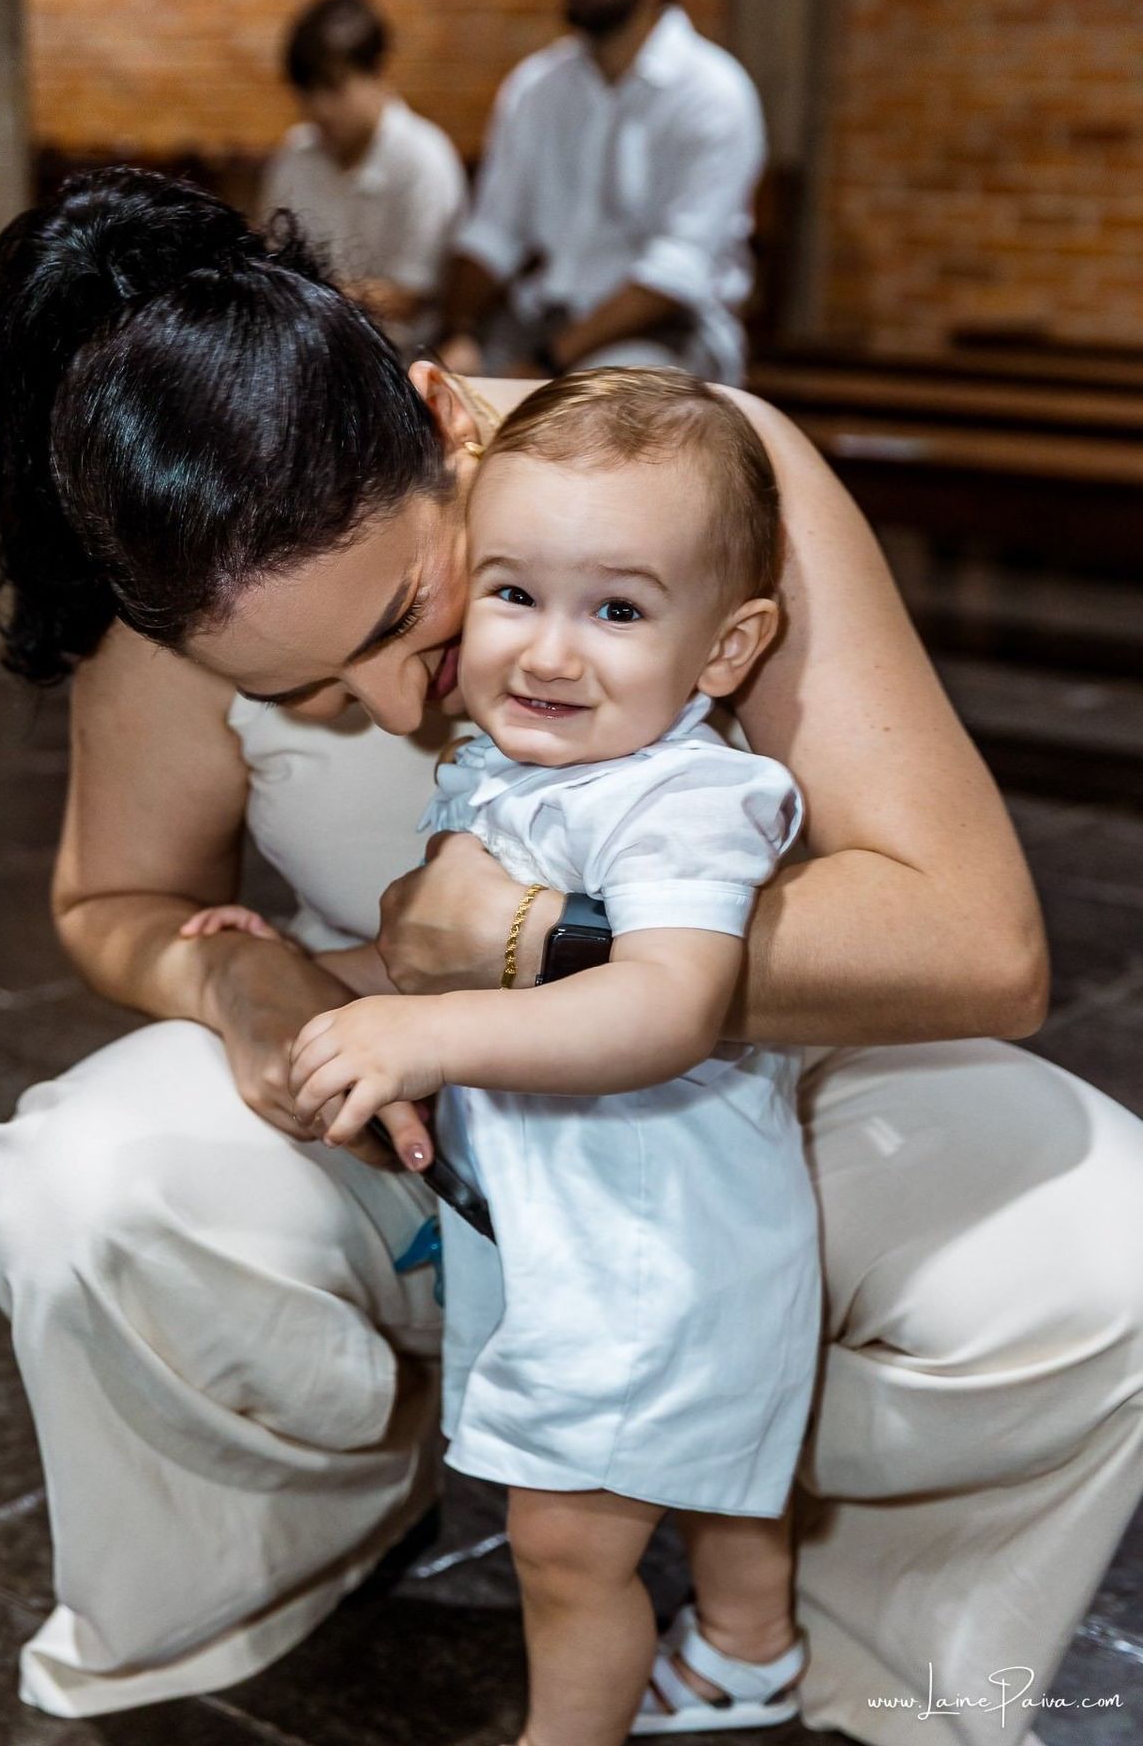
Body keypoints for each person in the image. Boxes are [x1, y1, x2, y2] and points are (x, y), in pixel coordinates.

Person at [0, 168, 1143, 1746]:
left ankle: (862, 1655)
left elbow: (981, 940)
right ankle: (276, 1560)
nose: (399, 710)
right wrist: (235, 980)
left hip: (740, 1108)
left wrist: (535, 944)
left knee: (1107, 1249)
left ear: (449, 425)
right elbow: (114, 899)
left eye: (407, 614)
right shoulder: (197, 578)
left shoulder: (692, 480)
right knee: (78, 1186)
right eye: (310, 698)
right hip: (414, 1124)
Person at [218, 368, 820, 1743]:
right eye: (512, 594)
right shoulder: (512, 768)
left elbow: (665, 1003)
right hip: (594, 1226)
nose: (551, 653)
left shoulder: (686, 800)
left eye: (615, 609)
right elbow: (449, 959)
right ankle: (748, 1652)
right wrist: (304, 972)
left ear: (726, 650)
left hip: (652, 1245)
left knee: (564, 1549)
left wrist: (421, 1026)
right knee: (719, 1472)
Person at [439, 0, 765, 386]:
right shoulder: (537, 85)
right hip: (543, 322)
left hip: (669, 335)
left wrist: (548, 366)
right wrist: (460, 336)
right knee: (422, 388)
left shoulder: (714, 95)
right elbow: (493, 235)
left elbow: (675, 274)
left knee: (598, 404)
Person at [260, 0, 466, 356]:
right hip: (306, 347)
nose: (319, 107)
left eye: (334, 86)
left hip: (398, 357)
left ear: (378, 72)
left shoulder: (424, 159)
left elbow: (412, 297)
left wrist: (304, 293)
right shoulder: (295, 156)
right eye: (307, 91)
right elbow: (271, 262)